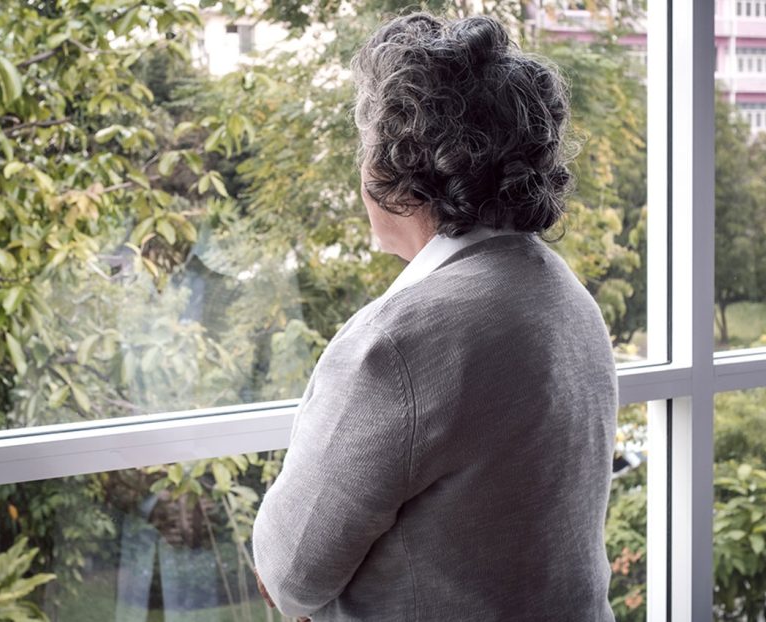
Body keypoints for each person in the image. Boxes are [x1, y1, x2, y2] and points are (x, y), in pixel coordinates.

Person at [251, 12, 618, 621]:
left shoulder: (396, 345)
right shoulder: (566, 295)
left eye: (367, 145)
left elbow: (291, 576)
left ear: (400, 167)